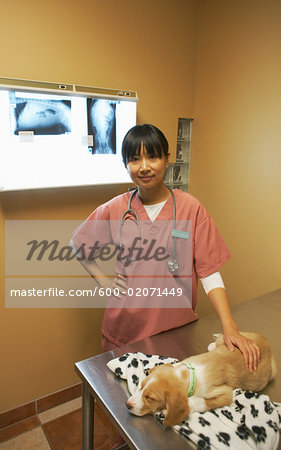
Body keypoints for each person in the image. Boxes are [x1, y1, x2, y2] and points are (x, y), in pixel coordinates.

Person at [71, 124, 260, 373]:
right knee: (126, 405)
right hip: (126, 331)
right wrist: (105, 283)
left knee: (168, 401)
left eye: (153, 156)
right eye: (135, 159)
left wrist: (230, 328)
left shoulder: (190, 209)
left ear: (167, 159)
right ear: (126, 164)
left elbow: (209, 272)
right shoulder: (115, 209)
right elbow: (78, 244)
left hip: (174, 330)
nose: (144, 166)